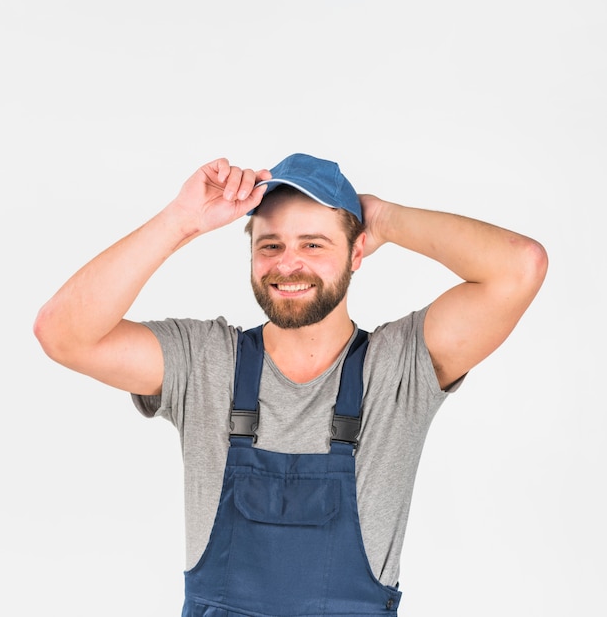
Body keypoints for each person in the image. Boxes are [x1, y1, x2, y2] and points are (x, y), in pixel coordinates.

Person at [34, 153, 548, 615]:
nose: (288, 264)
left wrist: (384, 217)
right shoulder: (206, 361)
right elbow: (62, 334)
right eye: (271, 245)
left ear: (357, 252)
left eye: (314, 244)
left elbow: (519, 266)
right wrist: (180, 222)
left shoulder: (400, 368)